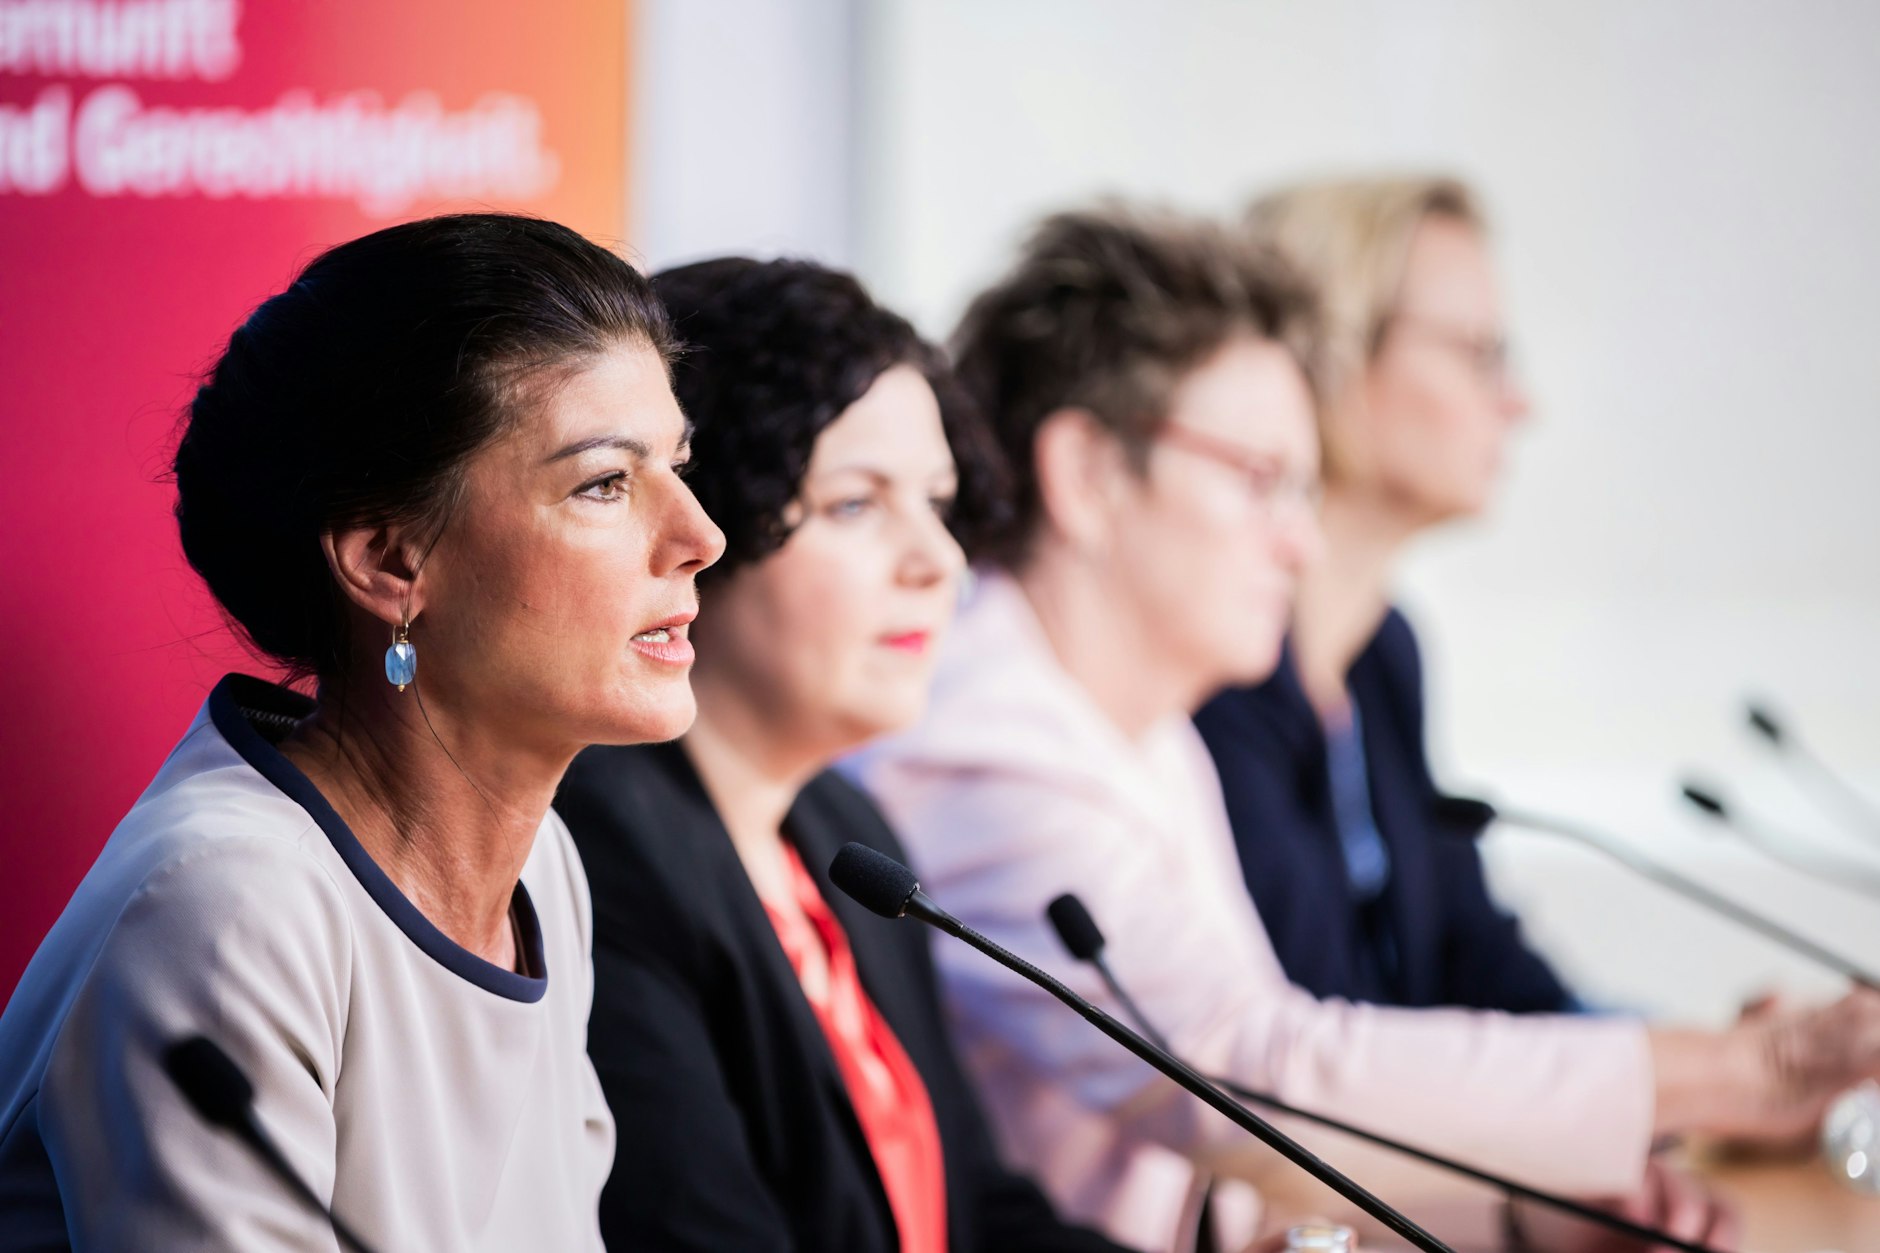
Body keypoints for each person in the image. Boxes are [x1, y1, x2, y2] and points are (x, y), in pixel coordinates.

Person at [858, 204, 1880, 1251]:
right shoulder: (971, 727)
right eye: (1261, 482)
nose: (1300, 542)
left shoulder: (1143, 730)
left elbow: (1248, 1183)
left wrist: (1532, 1223)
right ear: (1087, 473)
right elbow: (1234, 1075)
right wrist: (1753, 1070)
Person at [0, 213, 724, 1249]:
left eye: (677, 466)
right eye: (604, 482)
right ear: (391, 563)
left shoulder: (544, 870)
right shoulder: (224, 904)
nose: (700, 536)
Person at [554, 256, 1142, 1252]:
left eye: (940, 502)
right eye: (857, 506)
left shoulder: (844, 834)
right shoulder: (601, 853)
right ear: (708, 524)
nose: (938, 561)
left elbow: (978, 1216)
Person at [1191, 176, 1570, 1013]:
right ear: (1334, 350)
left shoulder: (1383, 653)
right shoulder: (1214, 668)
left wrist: (1703, 1065)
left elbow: (1474, 956)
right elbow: (1308, 1042)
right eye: (1480, 354)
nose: (1518, 403)